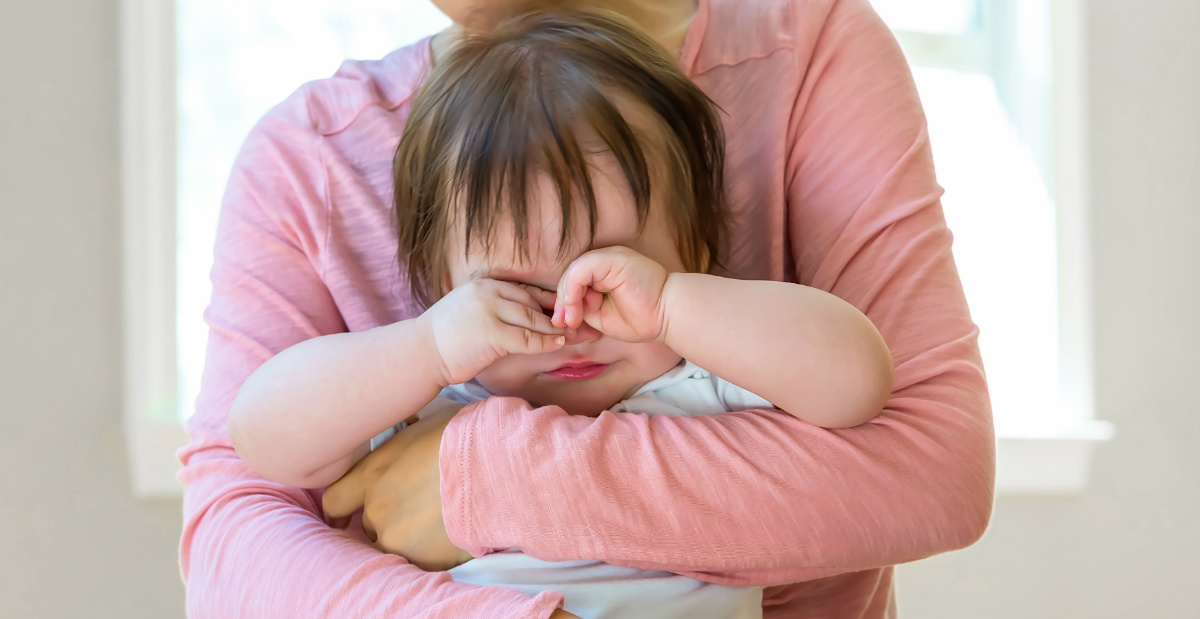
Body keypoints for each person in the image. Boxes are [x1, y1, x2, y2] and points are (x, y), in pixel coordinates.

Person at [177, 0, 995, 617]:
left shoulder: (703, 378)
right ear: (437, 280)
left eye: (607, 276)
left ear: (700, 249)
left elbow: (879, 403)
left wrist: (675, 307)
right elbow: (252, 469)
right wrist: (426, 345)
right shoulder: (437, 380)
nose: (568, 317)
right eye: (519, 291)